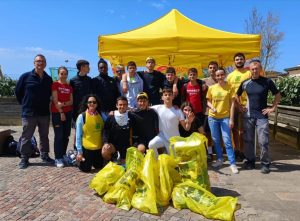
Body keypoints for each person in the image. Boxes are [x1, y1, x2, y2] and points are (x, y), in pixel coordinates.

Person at [236, 60, 281, 174]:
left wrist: (272, 108)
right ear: (249, 70)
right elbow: (237, 95)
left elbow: (277, 94)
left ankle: (265, 164)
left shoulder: (267, 81)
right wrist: (240, 106)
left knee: (263, 141)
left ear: (260, 69)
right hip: (248, 116)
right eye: (252, 69)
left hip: (262, 116)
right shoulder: (245, 83)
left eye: (257, 69)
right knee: (248, 140)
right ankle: (250, 161)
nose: (254, 71)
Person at [15, 54, 54, 169]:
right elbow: (18, 92)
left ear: (45, 64)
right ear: (34, 63)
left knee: (44, 136)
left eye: (42, 61)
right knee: (26, 136)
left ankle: (45, 155)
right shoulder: (25, 77)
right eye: (38, 61)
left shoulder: (48, 79)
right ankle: (24, 158)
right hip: (29, 113)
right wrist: (25, 104)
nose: (40, 63)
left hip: (44, 113)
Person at [206, 67, 238, 174]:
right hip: (213, 117)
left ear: (224, 75)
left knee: (227, 140)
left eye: (221, 75)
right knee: (216, 140)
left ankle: (232, 163)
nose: (220, 77)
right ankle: (219, 159)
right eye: (217, 75)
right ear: (215, 76)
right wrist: (212, 107)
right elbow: (208, 102)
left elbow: (233, 104)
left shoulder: (230, 87)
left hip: (225, 117)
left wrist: (231, 119)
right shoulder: (212, 88)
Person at [149, 88, 193, 158]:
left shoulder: (178, 111)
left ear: (173, 97)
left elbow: (186, 128)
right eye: (165, 95)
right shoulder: (157, 108)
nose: (167, 96)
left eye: (170, 95)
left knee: (174, 163)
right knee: (151, 144)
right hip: (162, 137)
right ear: (162, 97)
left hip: (174, 140)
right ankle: (157, 162)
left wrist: (189, 122)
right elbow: (145, 107)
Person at [227, 53, 251, 160]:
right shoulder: (230, 75)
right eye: (237, 59)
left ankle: (243, 151)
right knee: (234, 130)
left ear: (244, 60)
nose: (239, 61)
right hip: (233, 105)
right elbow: (228, 91)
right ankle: (236, 150)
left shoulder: (249, 73)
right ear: (234, 62)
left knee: (244, 131)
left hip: (247, 105)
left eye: (241, 59)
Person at [102, 96, 138, 162]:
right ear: (116, 105)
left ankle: (122, 158)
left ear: (127, 106)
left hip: (126, 145)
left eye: (124, 105)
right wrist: (105, 142)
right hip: (113, 145)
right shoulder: (111, 116)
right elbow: (105, 130)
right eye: (120, 105)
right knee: (105, 151)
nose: (122, 106)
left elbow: (136, 131)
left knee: (124, 164)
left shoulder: (131, 116)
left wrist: (134, 146)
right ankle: (111, 160)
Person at [75, 94, 104, 172]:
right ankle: (76, 157)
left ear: (97, 104)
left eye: (94, 102)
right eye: (90, 102)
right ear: (86, 104)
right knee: (86, 169)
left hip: (98, 148)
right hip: (87, 148)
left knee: (99, 166)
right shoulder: (82, 117)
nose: (92, 104)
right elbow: (78, 135)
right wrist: (80, 151)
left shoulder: (101, 115)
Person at [51, 66, 73, 168]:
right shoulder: (55, 84)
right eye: (61, 73)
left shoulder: (69, 87)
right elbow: (55, 100)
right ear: (58, 74)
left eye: (65, 74)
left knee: (66, 135)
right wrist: (61, 112)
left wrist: (62, 104)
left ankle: (63, 155)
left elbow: (71, 101)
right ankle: (58, 158)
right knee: (59, 136)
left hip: (68, 112)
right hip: (57, 113)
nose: (63, 75)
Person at [203, 61, 219, 160]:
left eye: (214, 68)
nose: (212, 69)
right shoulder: (204, 81)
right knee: (207, 133)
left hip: (220, 112)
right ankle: (209, 152)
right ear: (208, 69)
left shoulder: (222, 81)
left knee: (218, 133)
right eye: (210, 67)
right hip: (207, 111)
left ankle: (219, 152)